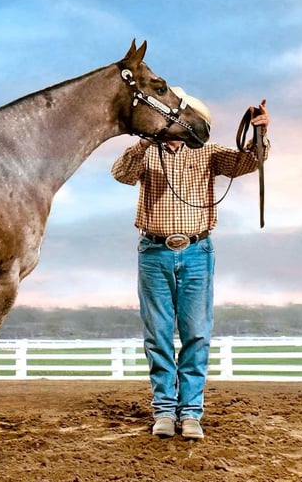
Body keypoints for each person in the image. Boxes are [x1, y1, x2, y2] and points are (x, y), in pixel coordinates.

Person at [111, 88, 270, 439]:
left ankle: (191, 413)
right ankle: (165, 411)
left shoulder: (208, 153)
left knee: (197, 332)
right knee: (159, 335)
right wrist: (144, 141)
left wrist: (261, 133)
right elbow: (120, 173)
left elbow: (249, 161)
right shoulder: (147, 153)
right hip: (154, 251)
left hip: (197, 251)